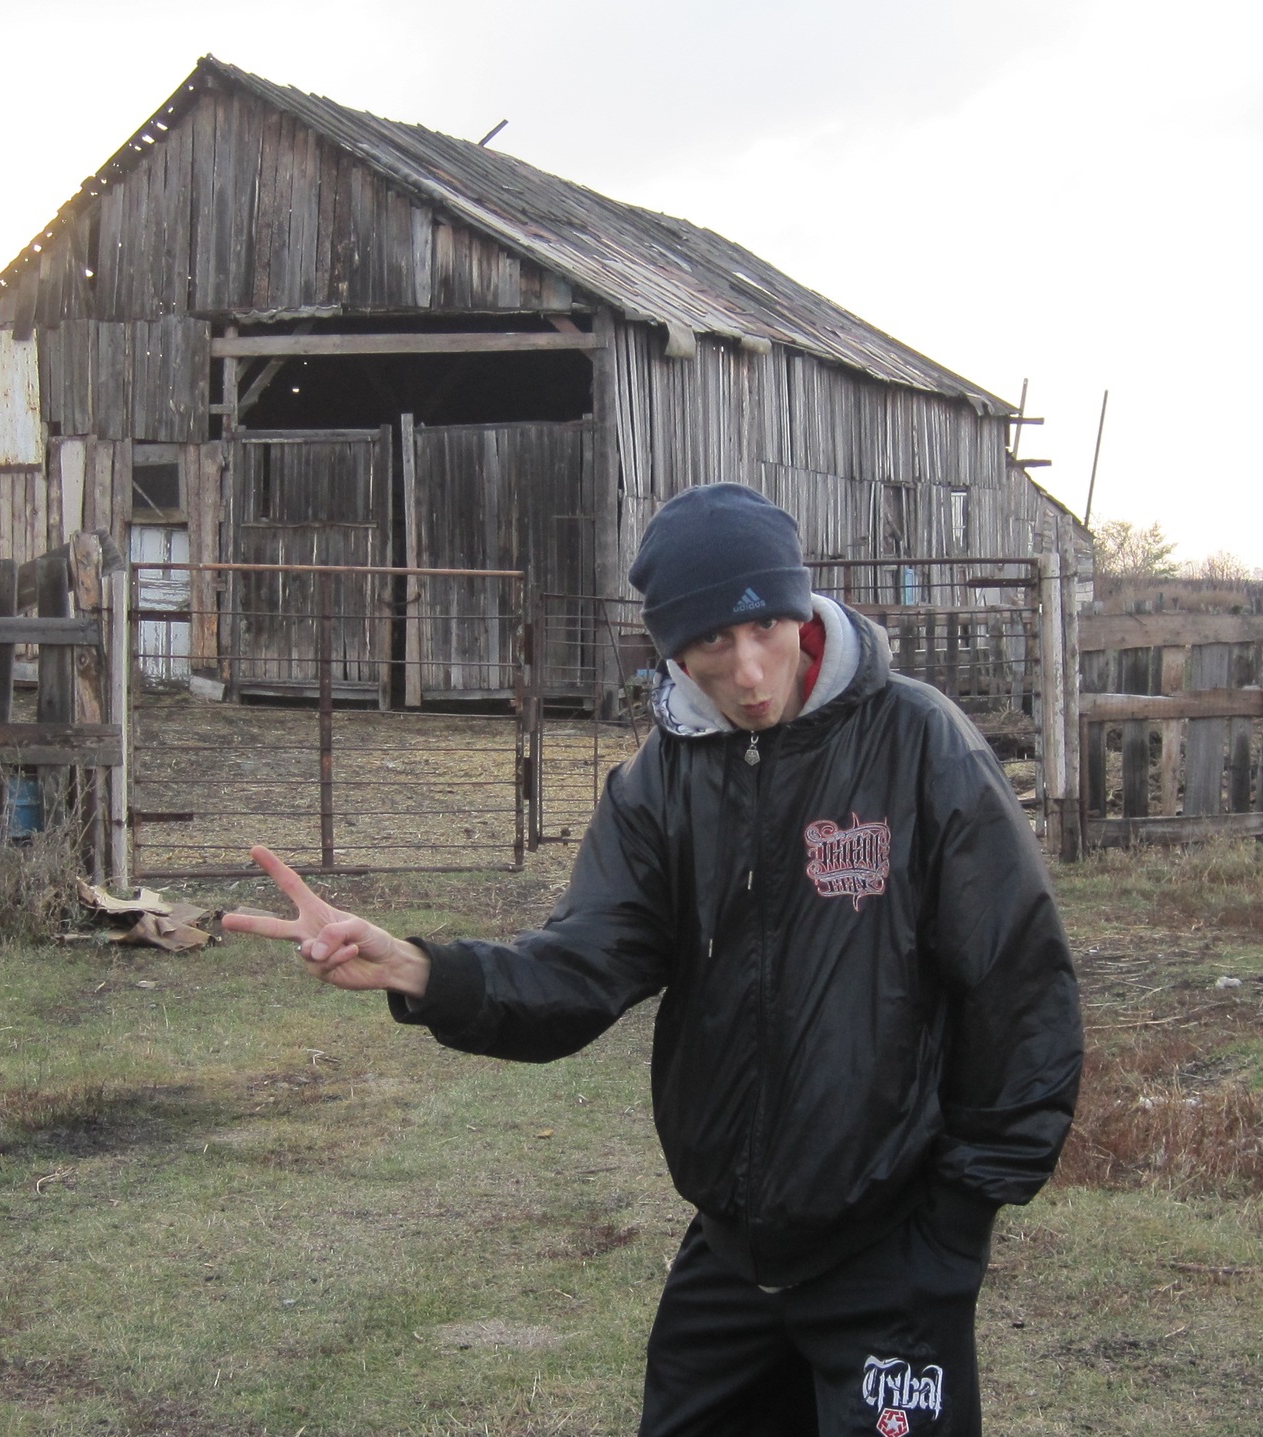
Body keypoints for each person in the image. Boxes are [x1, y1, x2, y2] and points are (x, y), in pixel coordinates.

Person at [223, 482, 1083, 1436]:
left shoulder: (919, 744)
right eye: (711, 640)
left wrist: (959, 1220)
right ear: (671, 649)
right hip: (733, 1254)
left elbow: (1019, 983)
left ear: (801, 609)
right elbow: (580, 968)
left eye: (766, 627)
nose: (748, 670)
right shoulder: (658, 783)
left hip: (892, 1252)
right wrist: (419, 969)